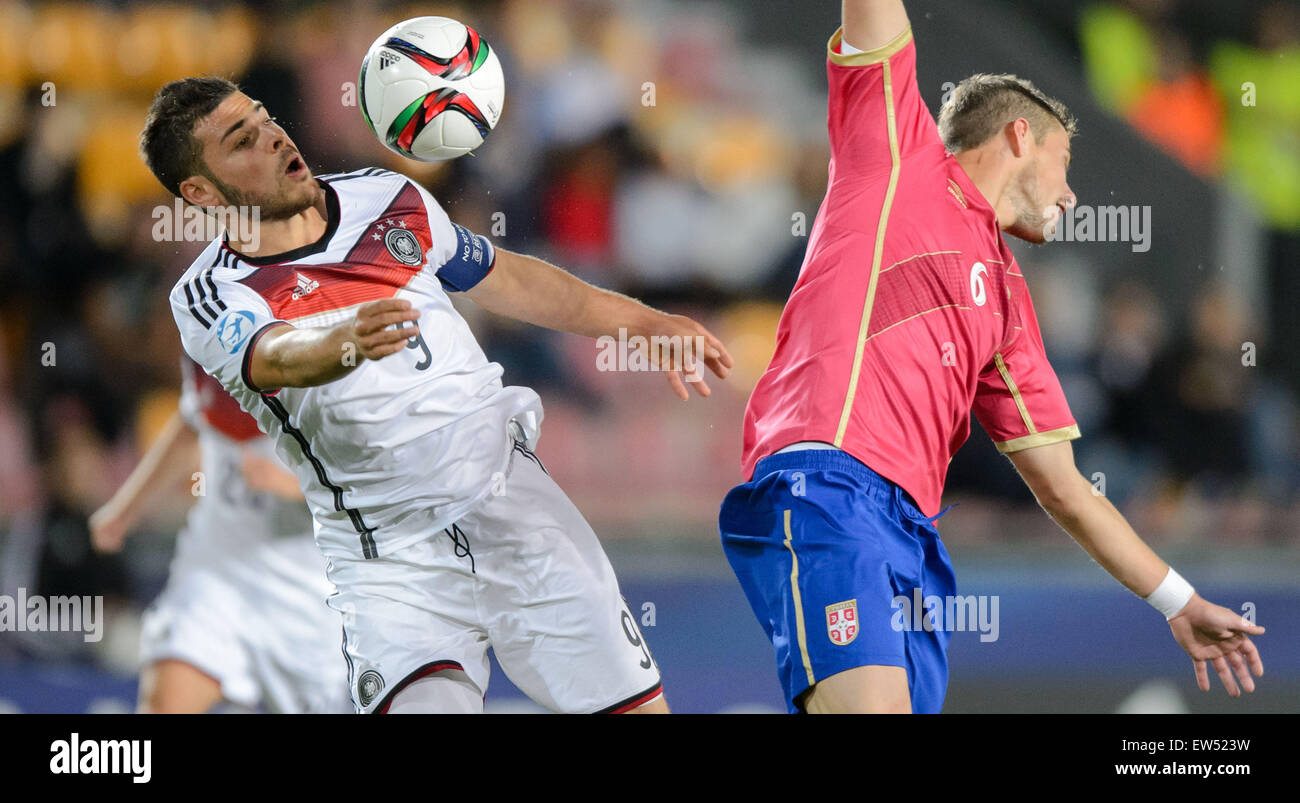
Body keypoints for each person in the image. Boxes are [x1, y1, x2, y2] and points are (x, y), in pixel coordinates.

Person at [719, 0, 1265, 714]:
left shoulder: (1009, 306)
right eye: (1064, 164)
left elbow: (1067, 489)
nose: (1072, 196)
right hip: (826, 486)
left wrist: (1177, 599)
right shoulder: (893, 155)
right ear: (1019, 135)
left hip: (912, 537)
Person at [140, 76, 732, 714]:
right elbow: (273, 356)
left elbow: (511, 281)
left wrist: (643, 323)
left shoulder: (386, 196)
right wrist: (343, 342)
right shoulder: (210, 294)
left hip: (516, 509)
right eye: (242, 140)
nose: (274, 136)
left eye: (265, 118)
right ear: (199, 192)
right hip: (390, 564)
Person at [90, 356, 350, 714]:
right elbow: (193, 416)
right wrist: (125, 509)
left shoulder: (335, 338)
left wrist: (296, 487)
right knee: (164, 703)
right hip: (216, 570)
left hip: (308, 591)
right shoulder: (207, 318)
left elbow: (387, 482)